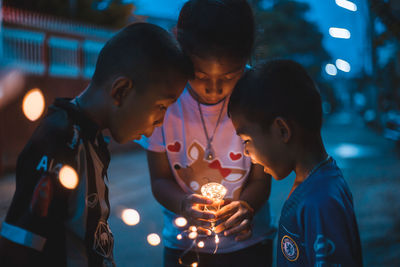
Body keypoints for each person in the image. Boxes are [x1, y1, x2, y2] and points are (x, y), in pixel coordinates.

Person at [0, 22, 191, 267]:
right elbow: (19, 244)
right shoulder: (60, 142)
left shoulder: (92, 139)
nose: (161, 121)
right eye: (161, 107)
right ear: (121, 91)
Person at [137, 1, 275, 266]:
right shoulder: (165, 102)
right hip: (184, 247)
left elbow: (261, 180)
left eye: (229, 76)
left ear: (247, 58)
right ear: (180, 46)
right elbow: (160, 180)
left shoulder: (255, 97)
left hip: (250, 246)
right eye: (200, 75)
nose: (214, 89)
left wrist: (246, 206)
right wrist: (183, 206)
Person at [228, 59, 363, 266]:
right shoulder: (316, 184)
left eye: (247, 140)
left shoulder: (319, 203)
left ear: (282, 130)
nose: (245, 152)